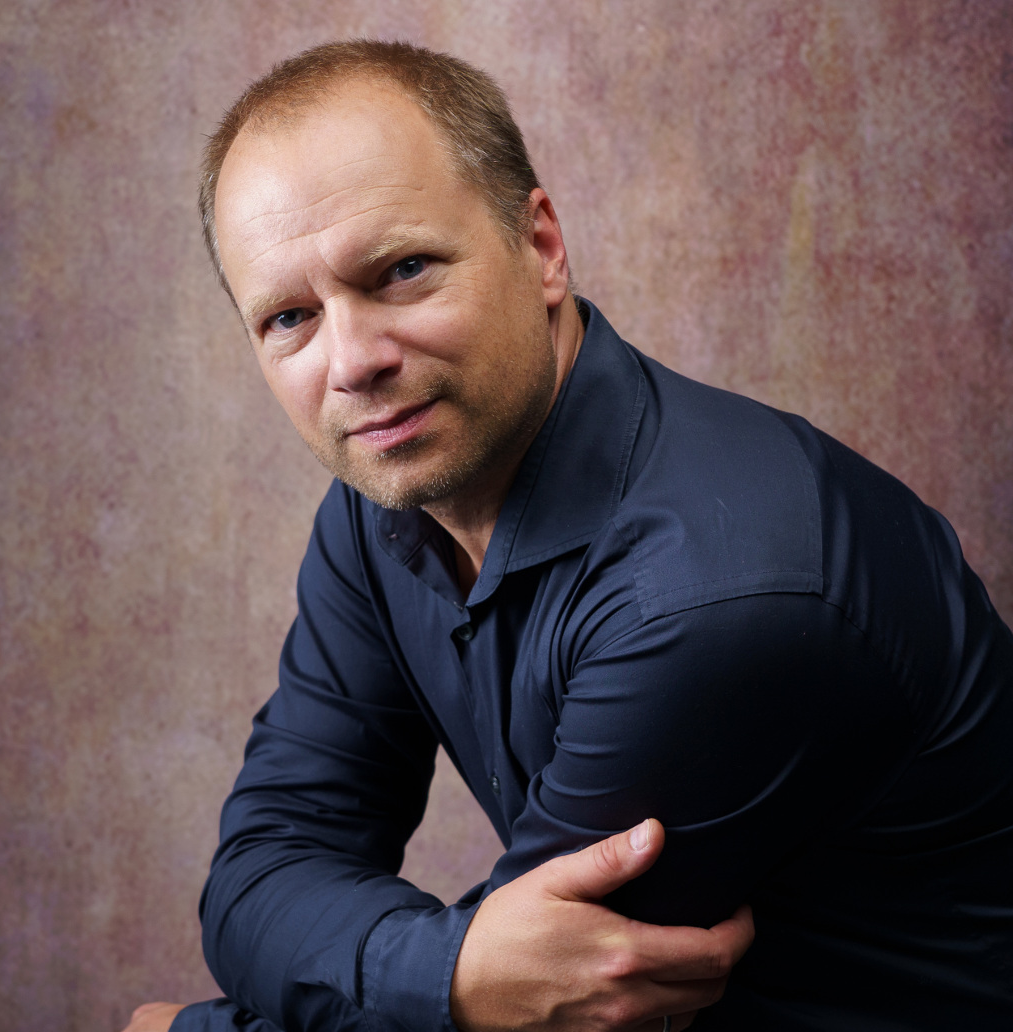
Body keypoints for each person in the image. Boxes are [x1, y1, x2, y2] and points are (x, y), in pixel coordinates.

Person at [122, 40, 1013, 1032]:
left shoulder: (715, 598)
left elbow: (546, 1006)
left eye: (404, 270)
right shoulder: (386, 507)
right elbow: (262, 875)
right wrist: (453, 974)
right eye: (289, 318)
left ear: (540, 246)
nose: (354, 362)